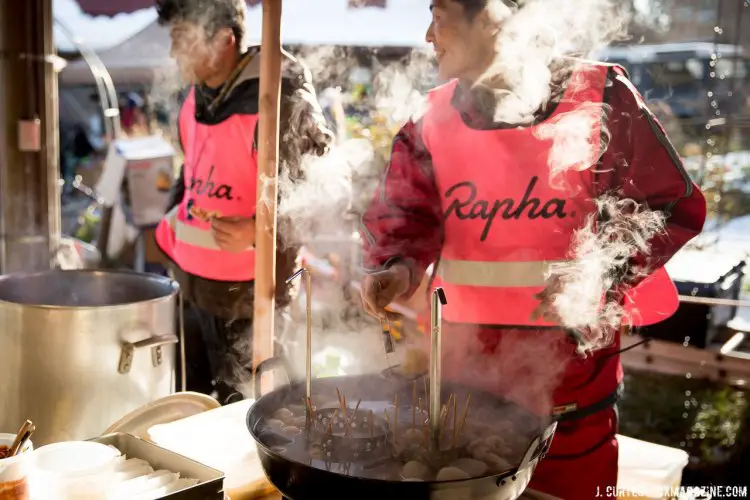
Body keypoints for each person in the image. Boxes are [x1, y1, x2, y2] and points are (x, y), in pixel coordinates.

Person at [360, 0, 706, 498]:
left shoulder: (601, 96)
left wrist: (595, 271)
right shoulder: (430, 116)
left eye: (440, 15)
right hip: (460, 387)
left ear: (495, 16)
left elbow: (671, 206)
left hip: (571, 393)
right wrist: (396, 265)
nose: (428, 37)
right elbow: (405, 215)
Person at [154, 0, 333, 404]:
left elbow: (320, 195)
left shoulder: (281, 95)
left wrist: (258, 230)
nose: (172, 52)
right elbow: (193, 176)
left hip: (255, 305)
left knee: (261, 424)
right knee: (194, 418)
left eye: (181, 38)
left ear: (223, 40)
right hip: (191, 294)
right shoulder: (195, 95)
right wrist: (169, 226)